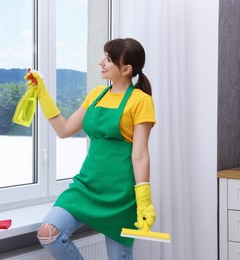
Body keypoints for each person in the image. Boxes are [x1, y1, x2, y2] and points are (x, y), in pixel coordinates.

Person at [24, 38, 156, 260]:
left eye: (108, 59)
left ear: (126, 69)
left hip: (119, 194)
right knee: (49, 232)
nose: (101, 62)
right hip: (87, 185)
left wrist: (144, 201)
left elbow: (140, 154)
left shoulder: (140, 101)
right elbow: (64, 129)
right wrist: (42, 94)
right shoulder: (97, 95)